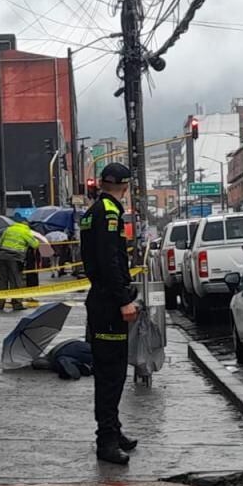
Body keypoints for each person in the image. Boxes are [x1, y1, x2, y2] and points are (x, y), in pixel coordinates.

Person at [81, 162, 140, 465]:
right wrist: (123, 300)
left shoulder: (94, 210)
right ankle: (106, 441)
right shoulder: (109, 212)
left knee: (112, 371)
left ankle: (113, 430)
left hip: (103, 299)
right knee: (111, 374)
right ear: (125, 187)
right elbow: (109, 261)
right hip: (108, 303)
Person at [0, 220, 41, 311]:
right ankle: (17, 304)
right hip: (15, 258)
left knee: (2, 280)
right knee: (16, 281)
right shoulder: (26, 231)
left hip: (2, 257)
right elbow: (35, 245)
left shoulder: (8, 229)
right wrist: (35, 239)